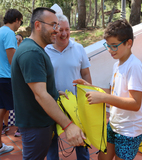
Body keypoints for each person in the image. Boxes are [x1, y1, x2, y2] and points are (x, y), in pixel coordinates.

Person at [11, 7, 85, 160]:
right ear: (37, 25)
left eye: (57, 26)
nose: (57, 31)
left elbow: (36, 89)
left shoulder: (36, 49)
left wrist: (55, 93)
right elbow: (40, 94)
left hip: (40, 123)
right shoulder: (32, 53)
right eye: (53, 25)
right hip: (36, 125)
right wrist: (68, 125)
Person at [73, 19, 142, 160]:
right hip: (114, 124)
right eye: (108, 45)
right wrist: (90, 87)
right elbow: (113, 93)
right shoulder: (117, 65)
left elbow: (135, 103)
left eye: (114, 46)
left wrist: (104, 99)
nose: (110, 50)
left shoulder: (134, 66)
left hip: (129, 130)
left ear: (128, 43)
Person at [45, 14, 91, 160]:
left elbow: (86, 74)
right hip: (52, 104)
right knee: (51, 144)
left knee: (81, 141)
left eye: (67, 29)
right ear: (54, 30)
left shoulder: (79, 48)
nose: (64, 34)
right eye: (60, 30)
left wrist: (89, 96)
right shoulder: (44, 51)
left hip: (75, 104)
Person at [0, 9, 23, 157]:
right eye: (20, 22)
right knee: (22, 107)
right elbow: (13, 61)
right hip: (7, 79)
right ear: (16, 19)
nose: (20, 25)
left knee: (0, 111)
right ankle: (30, 142)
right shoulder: (10, 33)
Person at [1, 34, 24, 137]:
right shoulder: (8, 51)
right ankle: (5, 125)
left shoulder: (23, 52)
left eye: (19, 40)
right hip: (7, 80)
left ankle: (20, 127)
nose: (17, 42)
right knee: (6, 105)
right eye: (16, 40)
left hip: (19, 82)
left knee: (19, 105)